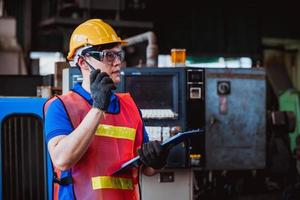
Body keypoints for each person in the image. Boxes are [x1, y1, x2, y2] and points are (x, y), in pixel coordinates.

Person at [44, 19, 169, 200]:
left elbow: (146, 169)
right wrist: (97, 108)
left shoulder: (130, 107)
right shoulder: (61, 106)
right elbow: (62, 160)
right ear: (83, 62)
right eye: (109, 56)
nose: (118, 62)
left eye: (119, 55)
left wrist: (158, 161)